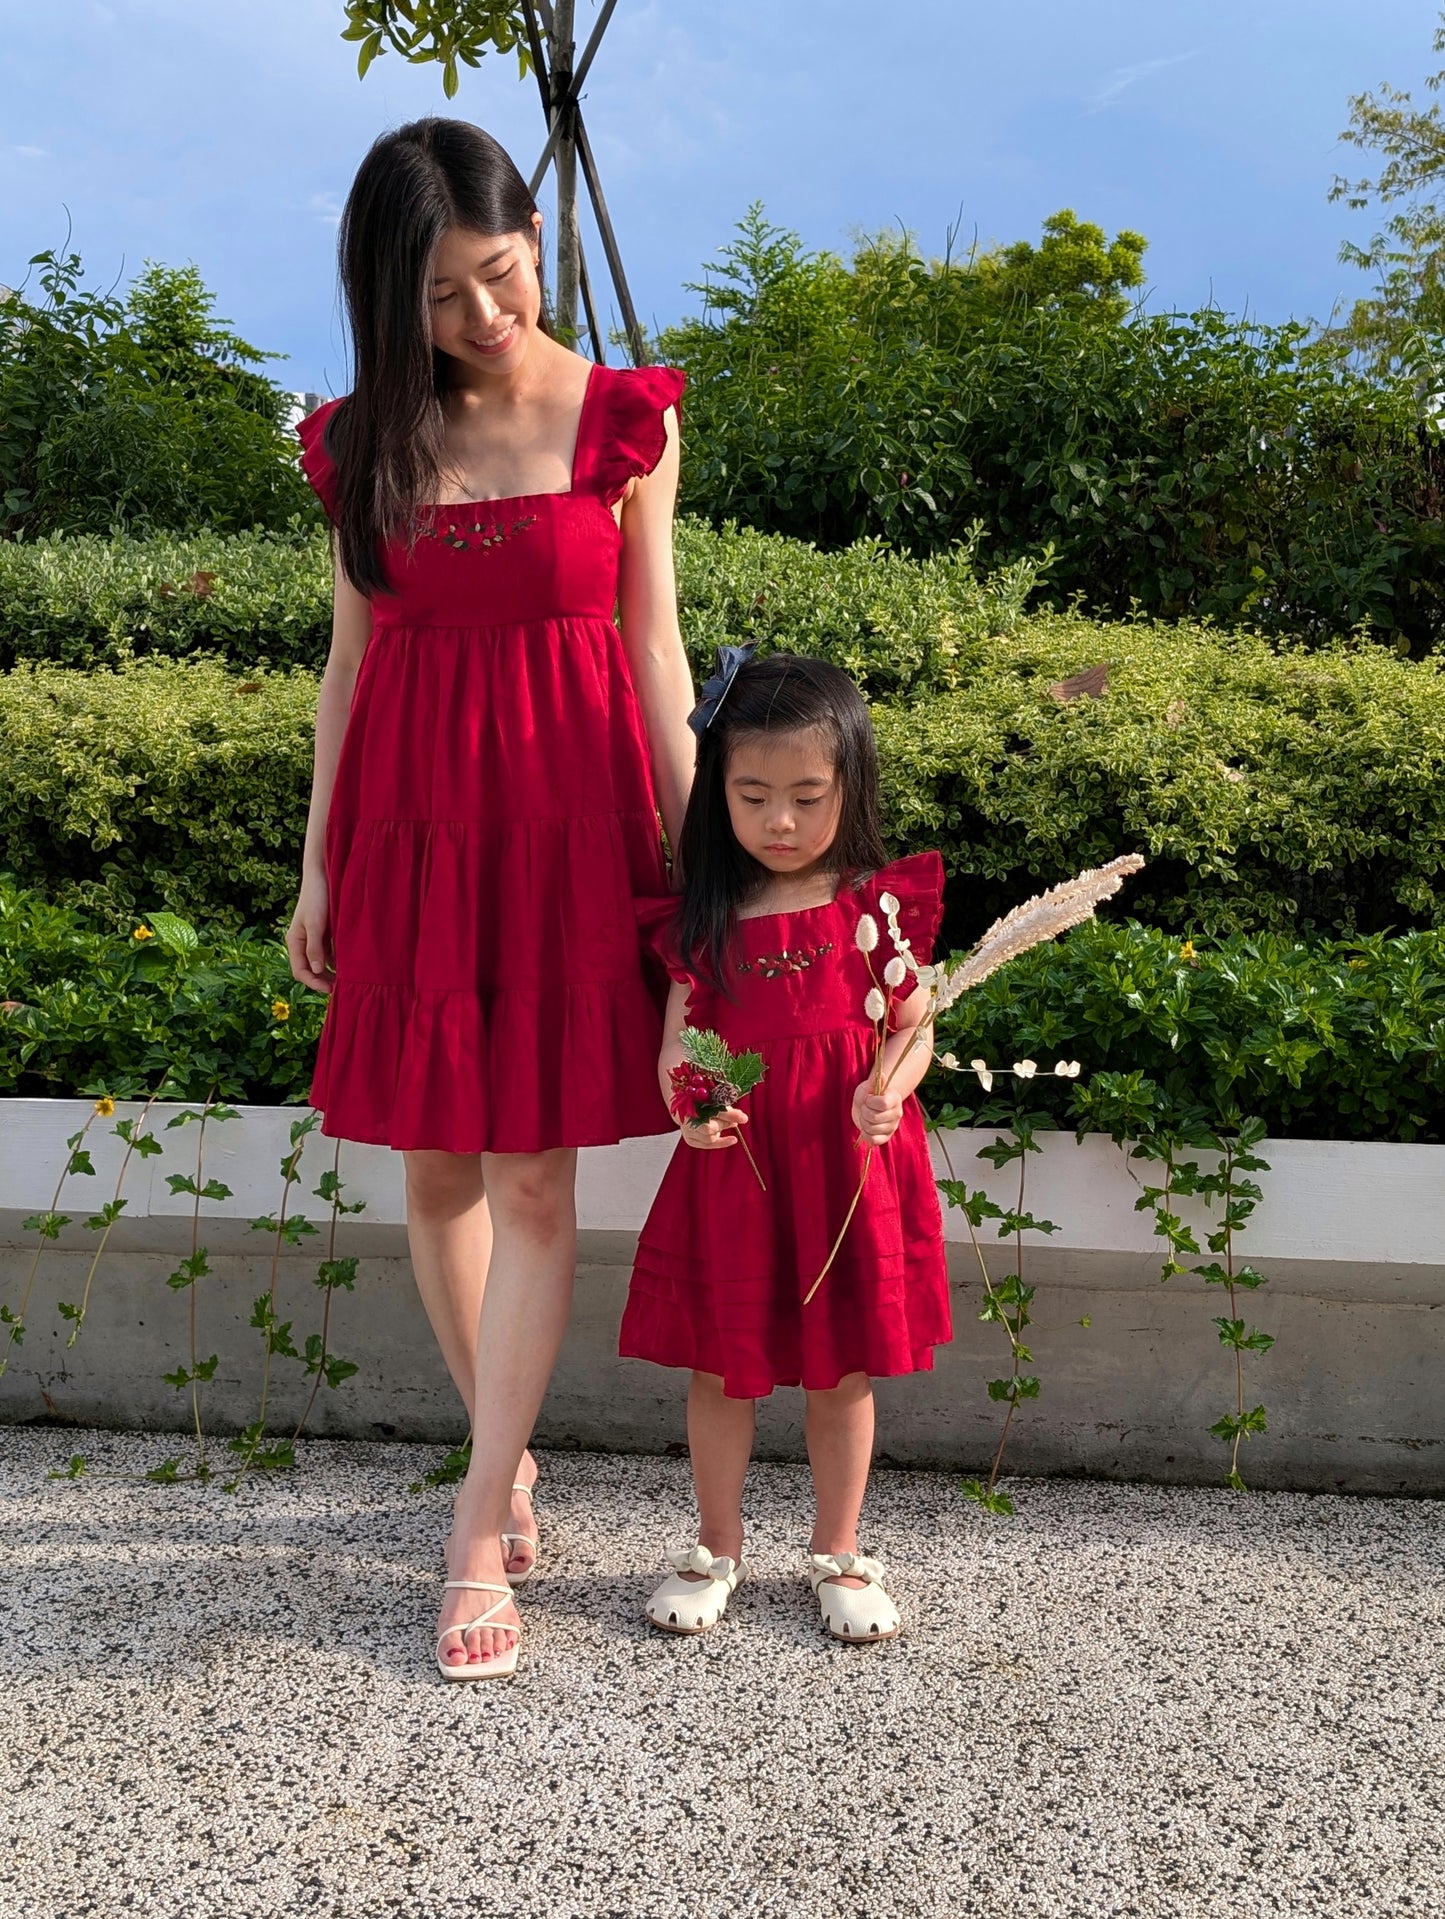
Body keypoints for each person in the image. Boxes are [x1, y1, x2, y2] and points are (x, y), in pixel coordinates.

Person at [286, 118, 695, 1681]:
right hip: (411, 835)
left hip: (570, 833)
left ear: (536, 241)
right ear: (393, 297)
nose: (483, 317)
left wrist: (692, 883)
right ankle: (501, 1447)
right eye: (445, 295)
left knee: (534, 1177)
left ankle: (473, 1519)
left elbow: (657, 654)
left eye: (502, 275)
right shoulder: (361, 437)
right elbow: (349, 664)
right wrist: (319, 860)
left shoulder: (621, 420)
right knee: (439, 1166)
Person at [620, 652, 951, 1643]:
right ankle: (714, 1543)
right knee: (722, 1365)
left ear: (848, 787)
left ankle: (838, 1547)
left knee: (839, 1368)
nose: (779, 820)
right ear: (716, 792)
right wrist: (691, 1103)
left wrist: (886, 1089)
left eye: (806, 796)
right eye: (751, 794)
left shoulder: (871, 908)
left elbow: (912, 1022)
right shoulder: (707, 919)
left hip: (844, 1167)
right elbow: (677, 1037)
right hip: (740, 1170)